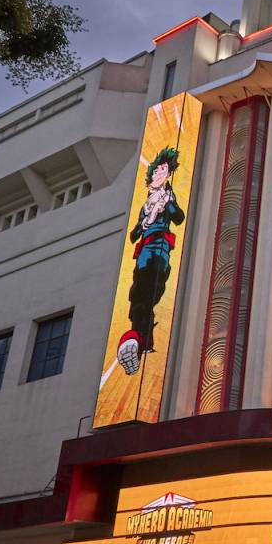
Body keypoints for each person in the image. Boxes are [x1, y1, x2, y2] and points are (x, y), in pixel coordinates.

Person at [117, 146, 186, 375]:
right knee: (139, 295)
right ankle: (142, 342)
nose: (158, 173)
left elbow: (178, 217)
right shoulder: (147, 203)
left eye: (163, 170)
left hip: (158, 252)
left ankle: (137, 338)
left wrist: (167, 204)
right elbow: (133, 234)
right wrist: (143, 224)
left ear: (168, 174)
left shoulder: (167, 196)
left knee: (146, 293)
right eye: (156, 170)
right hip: (143, 254)